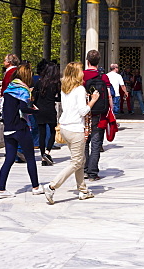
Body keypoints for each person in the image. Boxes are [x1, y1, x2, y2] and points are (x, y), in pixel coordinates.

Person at [44, 62, 99, 204]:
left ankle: (83, 190)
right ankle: (52, 186)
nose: (83, 73)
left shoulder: (65, 88)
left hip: (65, 127)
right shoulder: (79, 89)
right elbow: (83, 111)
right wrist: (93, 100)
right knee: (76, 162)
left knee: (80, 160)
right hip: (75, 129)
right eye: (81, 71)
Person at [0, 62, 44, 199]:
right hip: (20, 128)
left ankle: (1, 190)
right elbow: (23, 108)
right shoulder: (22, 90)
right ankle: (35, 187)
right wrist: (34, 111)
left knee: (9, 159)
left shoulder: (8, 89)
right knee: (30, 158)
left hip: (8, 129)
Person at [83, 50, 113, 181]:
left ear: (87, 60)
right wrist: (111, 111)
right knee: (96, 143)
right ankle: (92, 173)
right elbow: (109, 95)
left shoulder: (81, 76)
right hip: (99, 114)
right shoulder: (103, 77)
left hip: (84, 113)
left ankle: (84, 169)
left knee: (84, 142)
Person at [32, 61, 60, 166]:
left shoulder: (40, 82)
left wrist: (34, 105)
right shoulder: (55, 83)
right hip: (50, 109)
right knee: (53, 131)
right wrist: (53, 98)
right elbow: (59, 97)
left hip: (40, 109)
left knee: (41, 133)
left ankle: (43, 155)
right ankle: (47, 152)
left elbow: (35, 95)